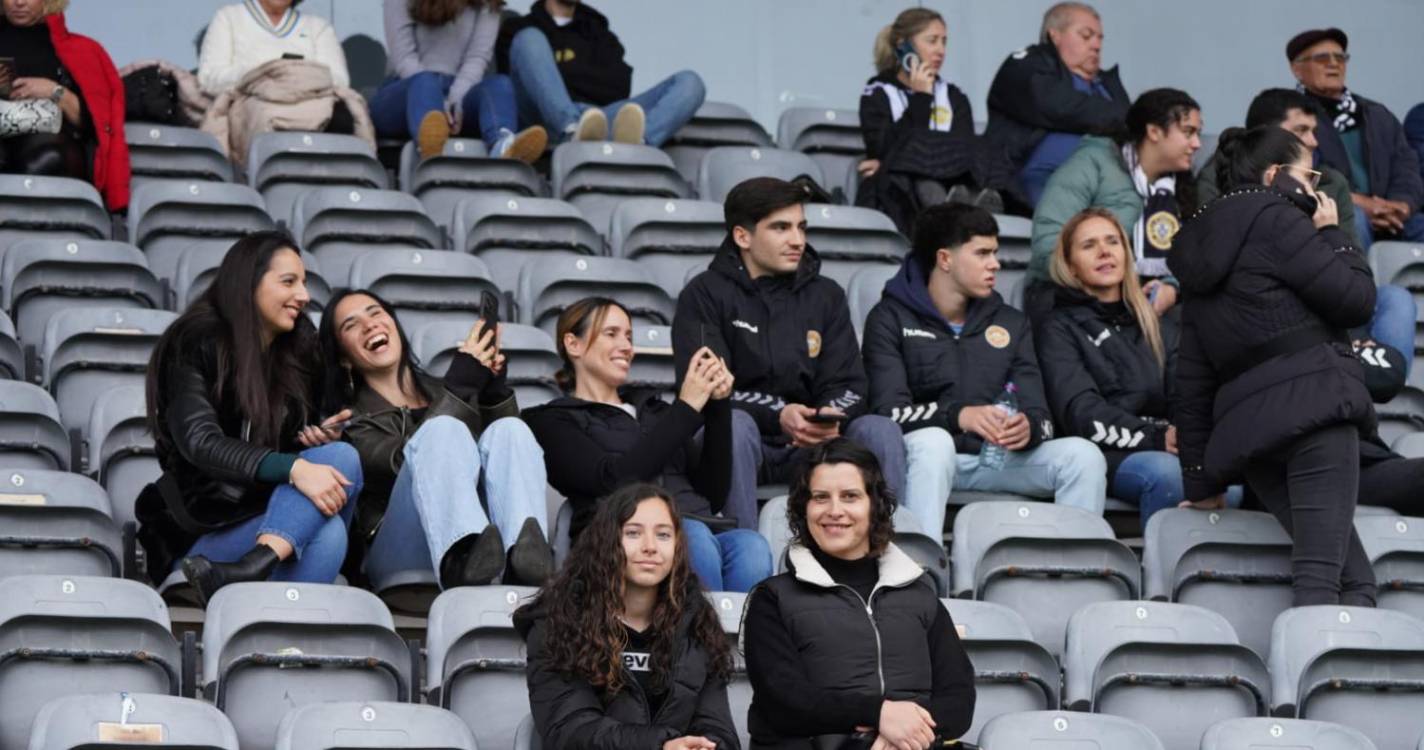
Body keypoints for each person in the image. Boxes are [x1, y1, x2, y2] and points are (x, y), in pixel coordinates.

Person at [1170, 125, 1377, 607]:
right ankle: (1312, 674)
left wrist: (1201, 482)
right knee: (1322, 582)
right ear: (1274, 175)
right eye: (1309, 174)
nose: (1316, 188)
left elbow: (1193, 376)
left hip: (1253, 438)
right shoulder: (1279, 219)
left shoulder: (1199, 243)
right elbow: (1358, 301)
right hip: (1316, 412)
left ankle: (1338, 677)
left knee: (1355, 580)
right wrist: (1336, 236)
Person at [137, 232, 362, 603]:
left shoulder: (298, 350)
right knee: (329, 532)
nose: (304, 296)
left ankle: (253, 567)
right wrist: (293, 468)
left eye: (304, 283)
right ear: (248, 282)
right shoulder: (195, 341)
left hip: (272, 520)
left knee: (342, 457)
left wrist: (314, 440)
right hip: (204, 534)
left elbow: (287, 452)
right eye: (288, 282)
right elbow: (200, 442)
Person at [672, 177, 908, 528]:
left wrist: (828, 416)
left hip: (814, 444)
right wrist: (780, 414)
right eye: (781, 228)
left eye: (801, 227)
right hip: (740, 444)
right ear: (742, 237)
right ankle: (742, 549)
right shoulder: (705, 294)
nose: (797, 240)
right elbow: (710, 388)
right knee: (734, 425)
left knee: (879, 430)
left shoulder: (826, 294)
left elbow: (850, 384)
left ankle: (888, 552)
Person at [863, 203, 1107, 537]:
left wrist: (1030, 428)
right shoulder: (889, 318)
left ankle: (1078, 570)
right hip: (924, 461)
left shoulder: (1011, 322)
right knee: (935, 444)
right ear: (945, 259)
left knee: (1083, 456)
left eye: (995, 252)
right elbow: (887, 414)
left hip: (995, 459)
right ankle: (921, 572)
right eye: (982, 253)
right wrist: (958, 415)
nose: (995, 264)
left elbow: (1042, 414)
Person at [523, 297, 772, 593]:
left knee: (752, 546)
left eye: (629, 336)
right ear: (573, 344)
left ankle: (741, 640)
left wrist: (717, 405)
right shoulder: (551, 420)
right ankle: (700, 638)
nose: (627, 346)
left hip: (699, 526)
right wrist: (686, 409)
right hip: (620, 539)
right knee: (693, 539)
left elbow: (712, 494)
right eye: (612, 334)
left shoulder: (656, 411)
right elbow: (613, 480)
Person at [741, 439, 975, 749]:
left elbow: (959, 700)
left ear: (874, 505)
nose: (834, 511)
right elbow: (784, 702)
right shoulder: (771, 598)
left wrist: (901, 734)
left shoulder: (919, 593)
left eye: (850, 496)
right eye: (820, 497)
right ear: (804, 508)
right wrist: (879, 715)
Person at [317, 289, 553, 591]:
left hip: (487, 544)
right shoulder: (349, 418)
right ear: (344, 358)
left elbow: (498, 463)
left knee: (510, 429)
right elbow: (399, 466)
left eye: (375, 312)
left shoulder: (447, 387)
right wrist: (457, 389)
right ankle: (460, 558)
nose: (369, 325)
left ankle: (522, 560)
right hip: (399, 549)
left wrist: (494, 394)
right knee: (444, 429)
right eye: (351, 325)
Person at [1197, 88, 1416, 377]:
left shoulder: (1331, 181)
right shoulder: (1221, 176)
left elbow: (1350, 261)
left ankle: (1374, 394)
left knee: (1396, 299)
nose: (1314, 140)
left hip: (1331, 293)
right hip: (1268, 302)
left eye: (1315, 130)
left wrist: (1354, 332)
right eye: (1302, 130)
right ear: (1266, 134)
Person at [513, 483, 740, 750]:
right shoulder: (558, 622)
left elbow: (717, 727)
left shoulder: (698, 625)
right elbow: (570, 730)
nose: (650, 547)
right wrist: (660, 746)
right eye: (633, 533)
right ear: (607, 542)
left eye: (664, 535)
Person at [1036, 208, 1212, 526]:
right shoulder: (1057, 327)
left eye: (1112, 242)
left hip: (1166, 444)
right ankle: (1161, 575)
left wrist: (1187, 435)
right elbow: (1081, 413)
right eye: (1089, 245)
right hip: (1102, 454)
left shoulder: (1157, 325)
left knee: (1233, 479)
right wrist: (1156, 438)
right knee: (1169, 476)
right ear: (1070, 266)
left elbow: (1187, 395)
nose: (1104, 251)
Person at [1028, 88, 1203, 323]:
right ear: (1154, 131)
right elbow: (1046, 243)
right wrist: (1113, 287)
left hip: (1140, 299)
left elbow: (1195, 256)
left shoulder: (1180, 187)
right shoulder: (1093, 163)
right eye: (1188, 132)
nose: (1197, 144)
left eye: (1198, 134)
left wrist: (1172, 287)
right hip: (1073, 295)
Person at [856, 8, 1019, 233]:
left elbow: (964, 150)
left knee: (983, 152)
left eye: (944, 42)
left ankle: (962, 213)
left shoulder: (954, 96)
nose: (940, 51)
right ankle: (958, 217)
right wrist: (921, 98)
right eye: (932, 41)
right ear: (903, 46)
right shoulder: (877, 92)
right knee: (915, 168)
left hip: (953, 179)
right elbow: (886, 148)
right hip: (905, 190)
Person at [496, 0, 705, 146]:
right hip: (540, 121)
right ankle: (570, 128)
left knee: (690, 83)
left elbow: (618, 87)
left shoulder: (600, 34)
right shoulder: (517, 28)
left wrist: (554, 75)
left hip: (599, 120)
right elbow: (511, 85)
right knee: (529, 39)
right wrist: (582, 76)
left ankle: (638, 144)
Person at [985, 1, 1129, 207]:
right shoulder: (1027, 64)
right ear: (1055, 36)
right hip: (1043, 182)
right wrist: (1119, 117)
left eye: (1099, 38)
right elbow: (1056, 106)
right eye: (1086, 36)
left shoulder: (1107, 84)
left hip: (1109, 184)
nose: (1096, 45)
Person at [1288, 27, 1424, 244]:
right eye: (1322, 58)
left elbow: (1406, 167)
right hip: (1331, 209)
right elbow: (1300, 174)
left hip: (1390, 214)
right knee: (1355, 219)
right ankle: (1357, 278)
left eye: (1340, 57)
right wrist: (1363, 204)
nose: (1333, 63)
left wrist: (1402, 205)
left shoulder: (1377, 114)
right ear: (1297, 69)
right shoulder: (1293, 117)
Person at [371, 0, 547, 162]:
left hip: (460, 92)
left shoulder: (487, 3)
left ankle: (503, 146)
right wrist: (438, 103)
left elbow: (477, 58)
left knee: (499, 84)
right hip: (406, 90)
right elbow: (404, 58)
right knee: (425, 83)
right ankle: (431, 149)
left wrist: (456, 101)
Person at [0, 0, 129, 211]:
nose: (19, 2)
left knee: (48, 158)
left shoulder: (82, 50)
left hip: (49, 149)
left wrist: (53, 91)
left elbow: (94, 126)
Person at [197, 0, 350, 96]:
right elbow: (209, 79)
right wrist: (263, 74)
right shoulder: (228, 17)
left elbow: (339, 82)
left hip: (311, 117)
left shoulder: (318, 27)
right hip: (247, 118)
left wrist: (297, 78)